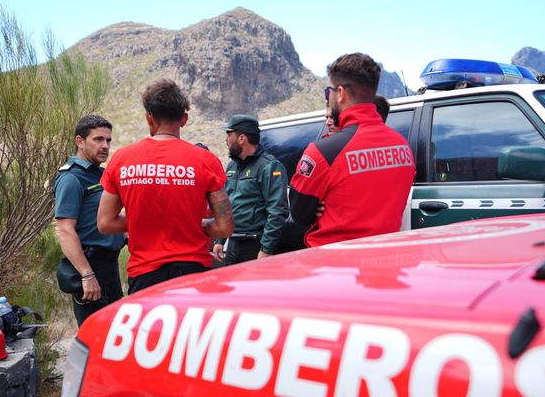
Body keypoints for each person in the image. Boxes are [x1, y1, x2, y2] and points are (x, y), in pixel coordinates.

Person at [97, 79, 233, 294]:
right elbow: (225, 227)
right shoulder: (206, 161)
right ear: (184, 119)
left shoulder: (122, 160)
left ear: (149, 118)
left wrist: (147, 222)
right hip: (193, 273)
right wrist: (189, 223)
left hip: (144, 275)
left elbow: (105, 223)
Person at [289, 53, 416, 247]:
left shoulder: (322, 152)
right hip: (385, 260)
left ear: (340, 93)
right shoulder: (402, 146)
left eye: (327, 92)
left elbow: (300, 214)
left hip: (336, 264)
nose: (328, 97)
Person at [54, 115, 125, 327]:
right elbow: (65, 230)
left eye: (108, 141)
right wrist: (87, 275)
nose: (105, 146)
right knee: (96, 338)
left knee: (113, 337)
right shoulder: (72, 178)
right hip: (90, 266)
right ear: (80, 141)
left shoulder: (100, 175)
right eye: (98, 139)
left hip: (109, 265)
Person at [212, 115, 289, 265]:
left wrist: (266, 249)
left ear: (241, 138)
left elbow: (277, 211)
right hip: (233, 244)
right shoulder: (232, 167)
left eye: (229, 135)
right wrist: (220, 239)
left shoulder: (269, 167)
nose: (226, 140)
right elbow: (227, 205)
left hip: (255, 245)